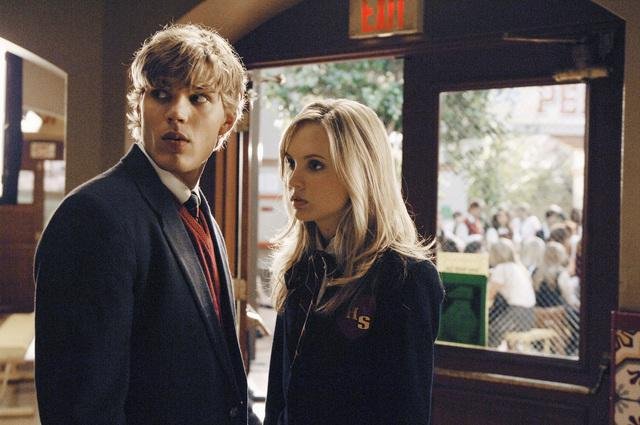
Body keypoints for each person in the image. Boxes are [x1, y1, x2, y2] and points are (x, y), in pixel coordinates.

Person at [34, 24, 250, 424]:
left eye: (198, 97)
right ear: (139, 107)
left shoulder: (197, 211)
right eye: (161, 94)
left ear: (227, 121)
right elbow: (82, 409)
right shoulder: (93, 217)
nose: (176, 112)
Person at [264, 99, 444, 425]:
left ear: (359, 172)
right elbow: (280, 394)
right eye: (291, 163)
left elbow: (406, 412)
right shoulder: (299, 268)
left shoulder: (406, 277)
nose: (293, 180)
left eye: (315, 165)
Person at [486, 238, 536, 348]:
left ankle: (488, 355)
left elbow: (489, 295)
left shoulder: (501, 268)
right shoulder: (519, 267)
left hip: (515, 314)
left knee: (488, 331)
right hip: (529, 315)